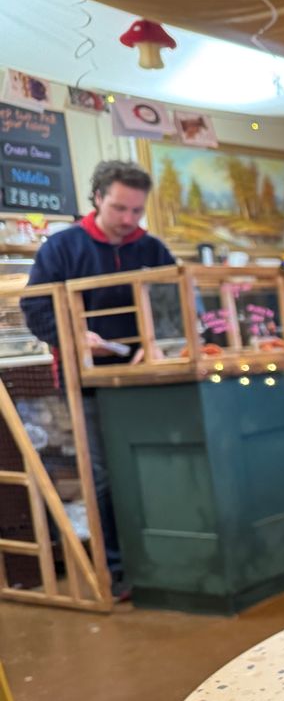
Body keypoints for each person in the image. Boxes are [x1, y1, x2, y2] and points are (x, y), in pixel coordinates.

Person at [21, 161, 175, 600]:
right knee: (104, 475)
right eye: (119, 208)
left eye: (137, 212)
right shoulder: (62, 247)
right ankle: (117, 571)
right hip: (84, 379)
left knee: (153, 466)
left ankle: (162, 559)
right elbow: (36, 310)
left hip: (146, 376)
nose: (129, 221)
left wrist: (161, 342)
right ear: (97, 198)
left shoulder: (153, 249)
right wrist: (74, 335)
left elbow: (174, 304)